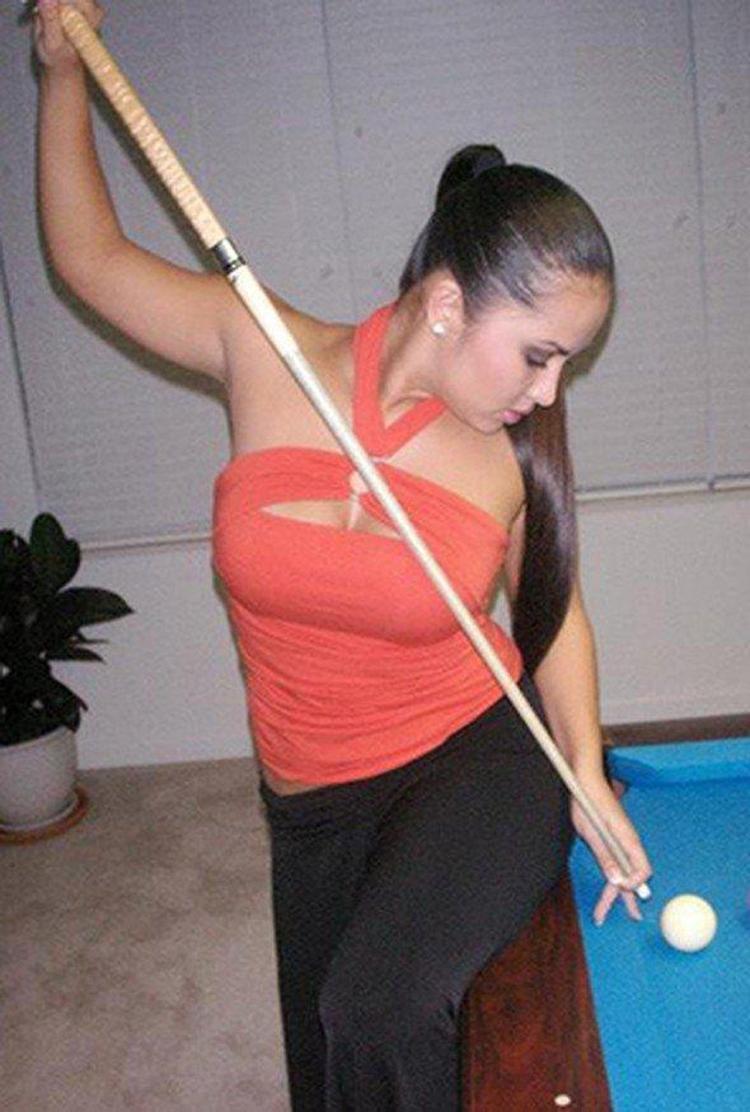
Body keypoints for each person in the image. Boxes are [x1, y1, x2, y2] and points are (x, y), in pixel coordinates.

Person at [33, 2, 653, 1108]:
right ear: (449, 304)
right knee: (331, 1072)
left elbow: (552, 611)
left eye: (566, 362)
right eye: (540, 355)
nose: (550, 389)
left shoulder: (505, 459)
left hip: (474, 759)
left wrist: (587, 769)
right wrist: (64, 75)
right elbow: (88, 258)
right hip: (310, 805)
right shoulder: (261, 349)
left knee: (377, 1007)